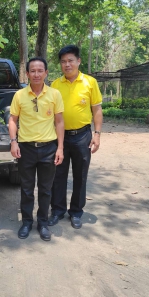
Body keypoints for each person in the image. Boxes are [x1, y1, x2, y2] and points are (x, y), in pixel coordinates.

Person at [9, 57, 65, 241]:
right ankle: (26, 222)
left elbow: (59, 121)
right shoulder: (19, 95)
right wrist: (13, 142)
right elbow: (13, 120)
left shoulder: (55, 94)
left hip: (49, 148)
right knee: (26, 188)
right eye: (32, 71)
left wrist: (60, 148)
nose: (36, 74)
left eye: (40, 70)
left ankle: (42, 222)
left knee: (45, 189)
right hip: (26, 148)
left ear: (46, 73)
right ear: (27, 73)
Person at [49, 45, 103, 229]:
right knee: (58, 175)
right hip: (60, 138)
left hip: (82, 137)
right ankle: (57, 210)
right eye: (63, 61)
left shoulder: (90, 82)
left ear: (78, 61)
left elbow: (96, 109)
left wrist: (97, 134)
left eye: (71, 60)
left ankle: (76, 212)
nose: (67, 64)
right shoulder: (55, 85)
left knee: (81, 175)